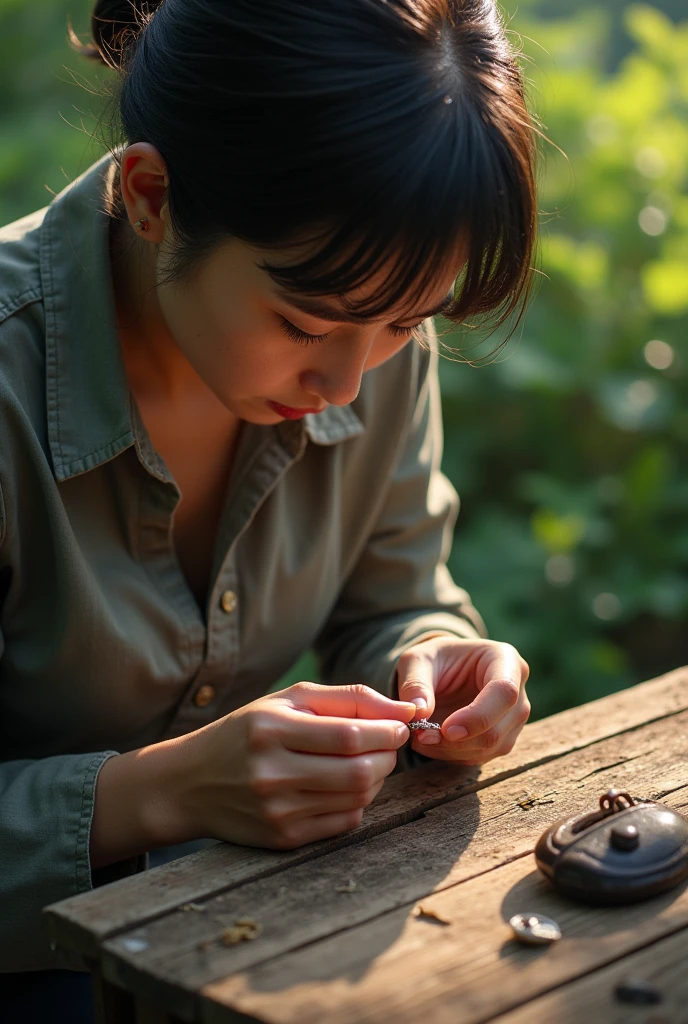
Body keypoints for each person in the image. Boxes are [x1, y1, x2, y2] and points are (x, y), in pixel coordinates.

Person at [0, 0, 534, 1017]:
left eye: (405, 320)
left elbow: (395, 594)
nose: (346, 379)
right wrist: (154, 792)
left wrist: (433, 658)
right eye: (302, 321)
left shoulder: (366, 327)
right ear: (151, 195)